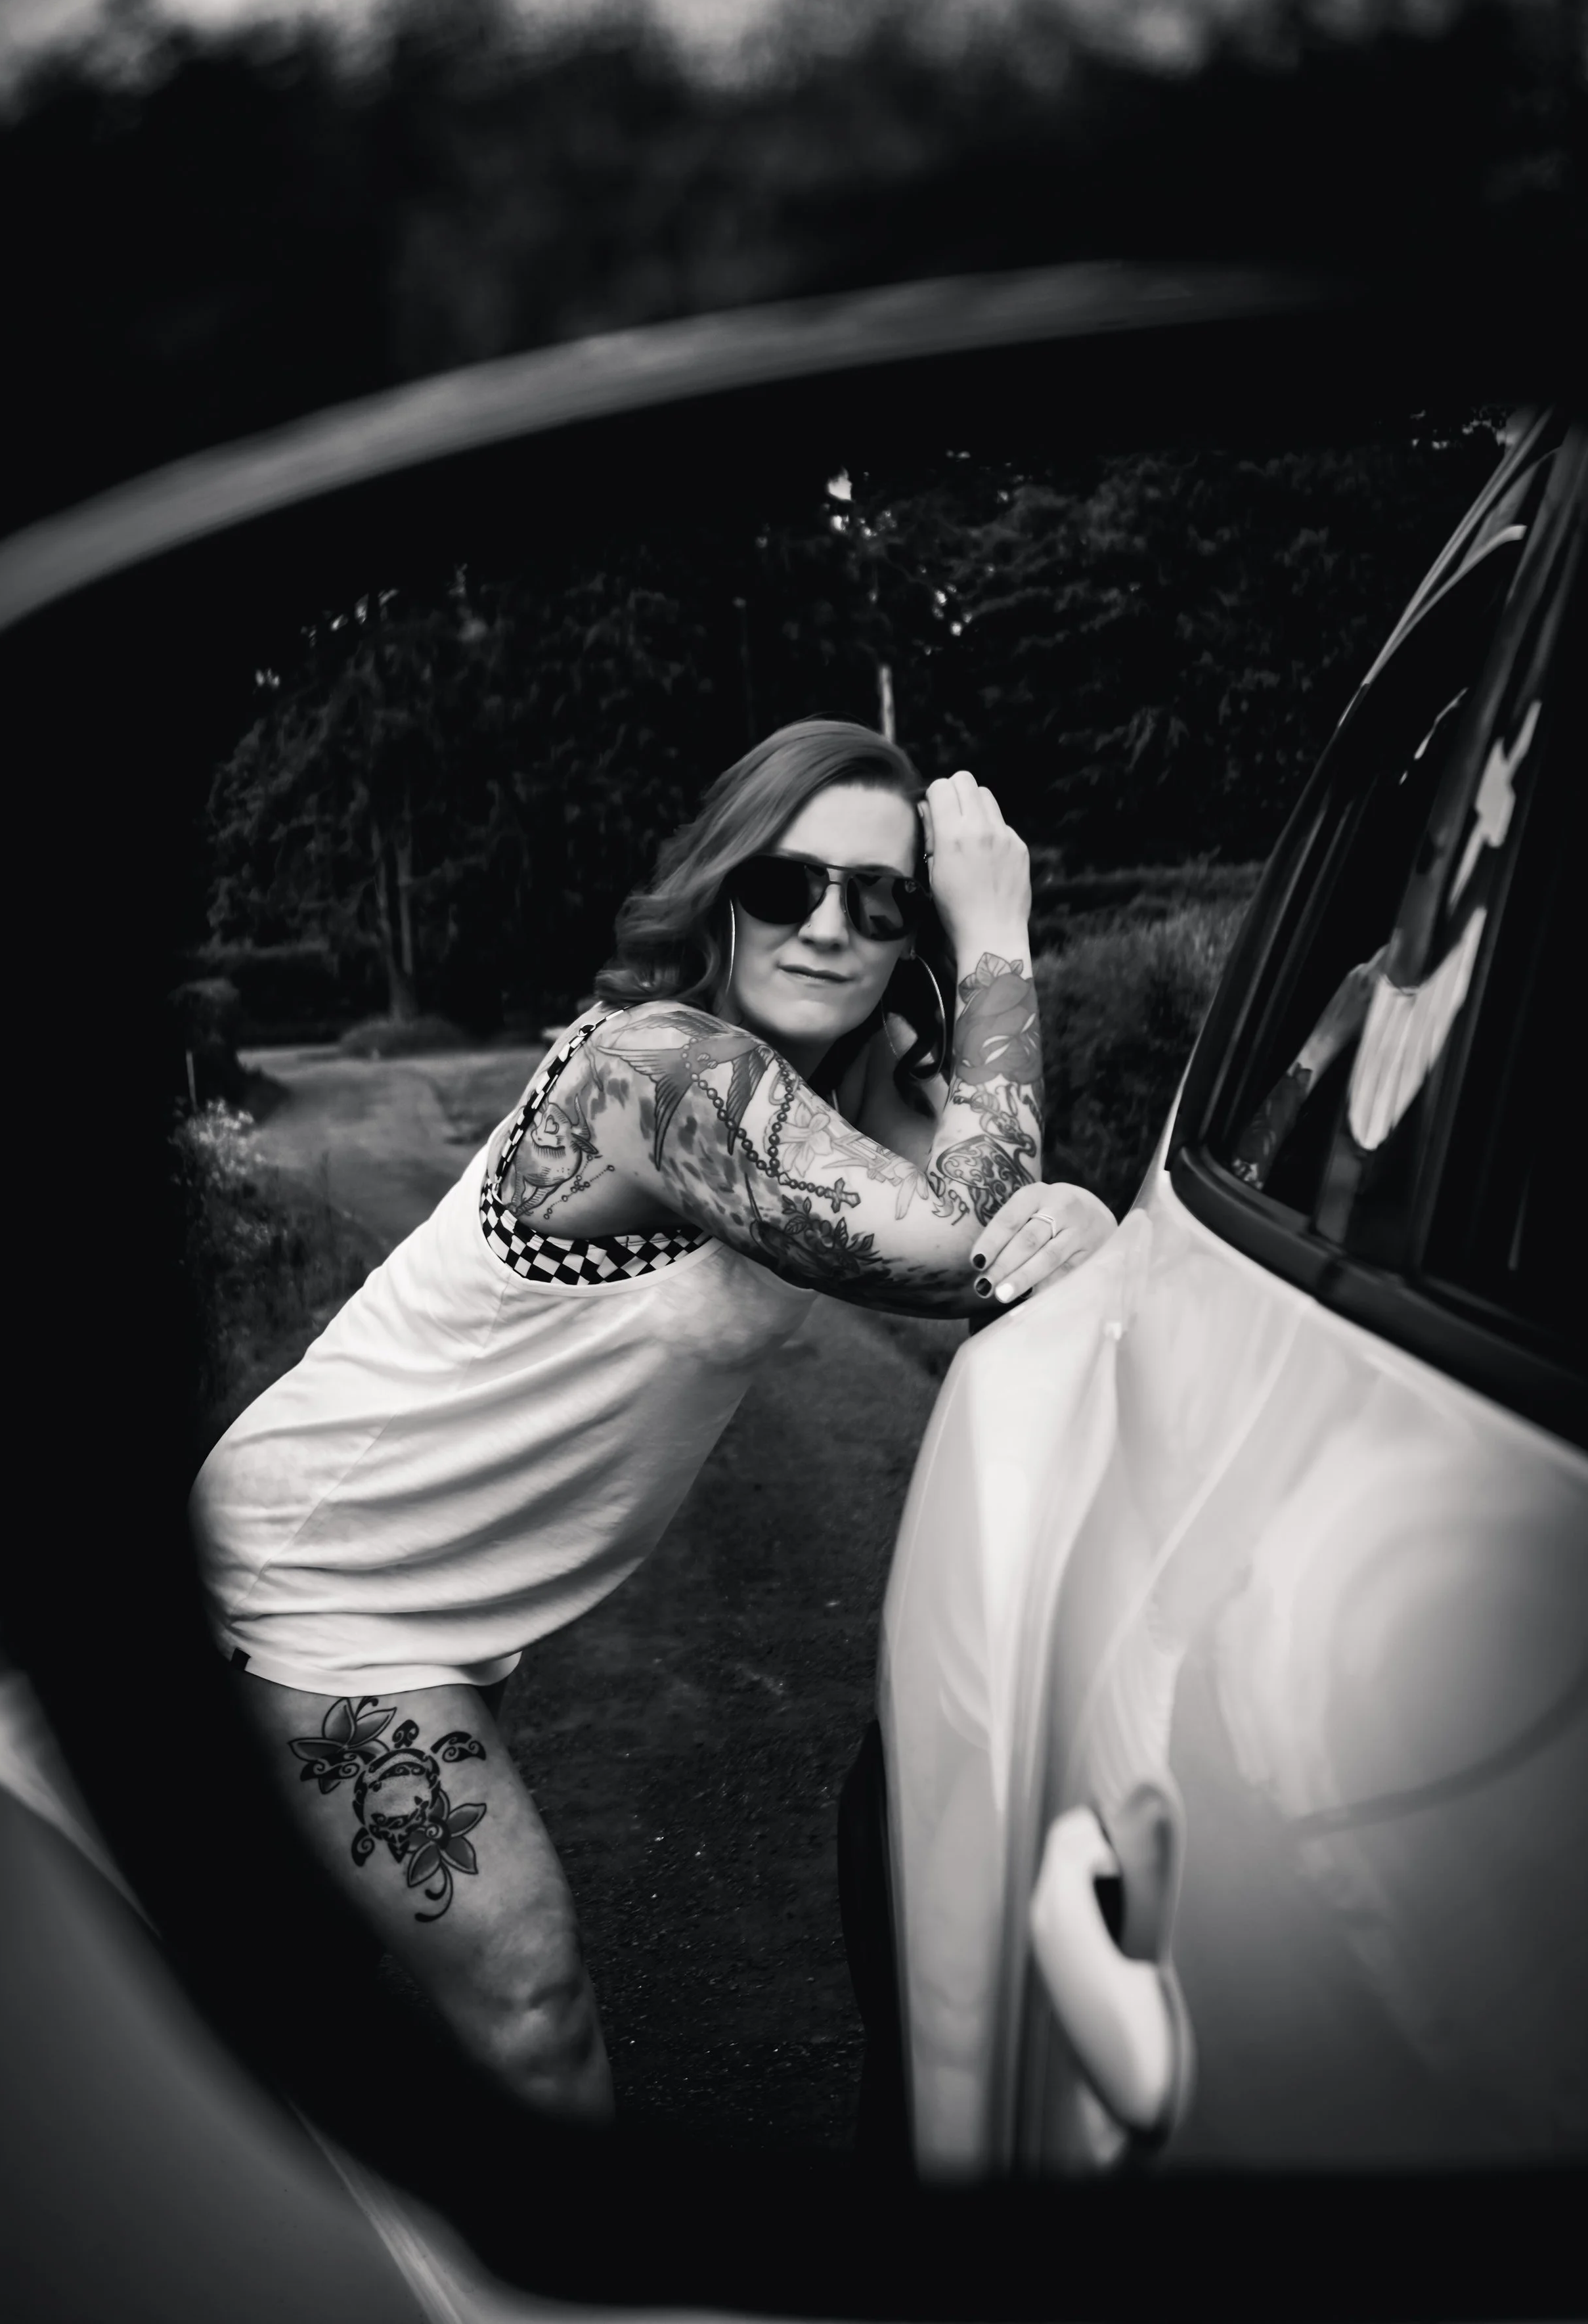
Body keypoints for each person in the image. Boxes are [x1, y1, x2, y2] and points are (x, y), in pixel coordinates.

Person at [190, 720, 1116, 2126]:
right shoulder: (654, 1069)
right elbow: (950, 1237)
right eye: (787, 885)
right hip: (306, 1585)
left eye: (879, 901)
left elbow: (1003, 1225)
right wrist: (995, 926)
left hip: (434, 1612)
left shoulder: (834, 1090)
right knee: (524, 2005)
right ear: (720, 886)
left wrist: (1086, 1218)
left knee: (287, 1999)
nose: (827, 927)